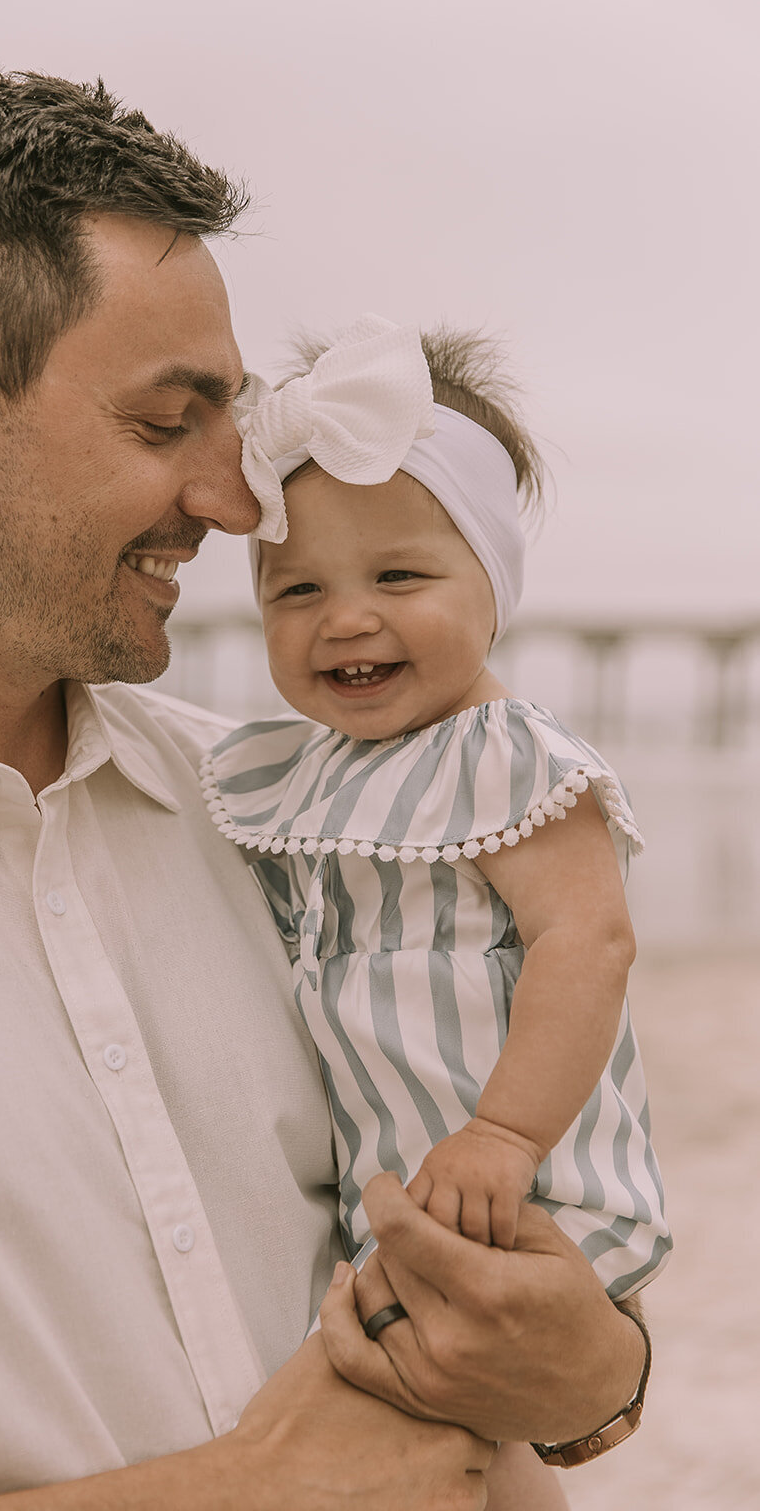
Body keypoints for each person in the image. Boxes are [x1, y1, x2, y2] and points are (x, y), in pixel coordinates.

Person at [0, 67, 649, 1511]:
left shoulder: (286, 808)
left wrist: (592, 1376)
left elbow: (563, 1331)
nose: (233, 496)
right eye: (166, 421)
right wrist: (248, 1487)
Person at [204, 314, 671, 1499]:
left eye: (397, 576)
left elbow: (589, 941)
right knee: (453, 1442)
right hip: (408, 1181)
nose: (343, 617)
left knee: (463, 1425)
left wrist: (506, 1133)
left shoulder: (512, 756)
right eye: (293, 588)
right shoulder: (306, 776)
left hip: (510, 1176)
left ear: (490, 585)